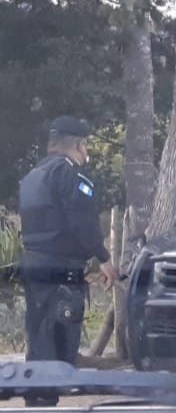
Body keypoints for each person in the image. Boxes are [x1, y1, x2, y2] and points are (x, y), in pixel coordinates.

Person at [18, 116, 118, 407]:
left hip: (33, 263)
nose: (87, 152)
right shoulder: (70, 175)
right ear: (79, 144)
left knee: (39, 333)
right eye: (86, 145)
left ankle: (35, 396)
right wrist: (104, 258)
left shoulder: (33, 175)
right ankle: (46, 398)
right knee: (60, 334)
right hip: (61, 267)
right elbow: (82, 222)